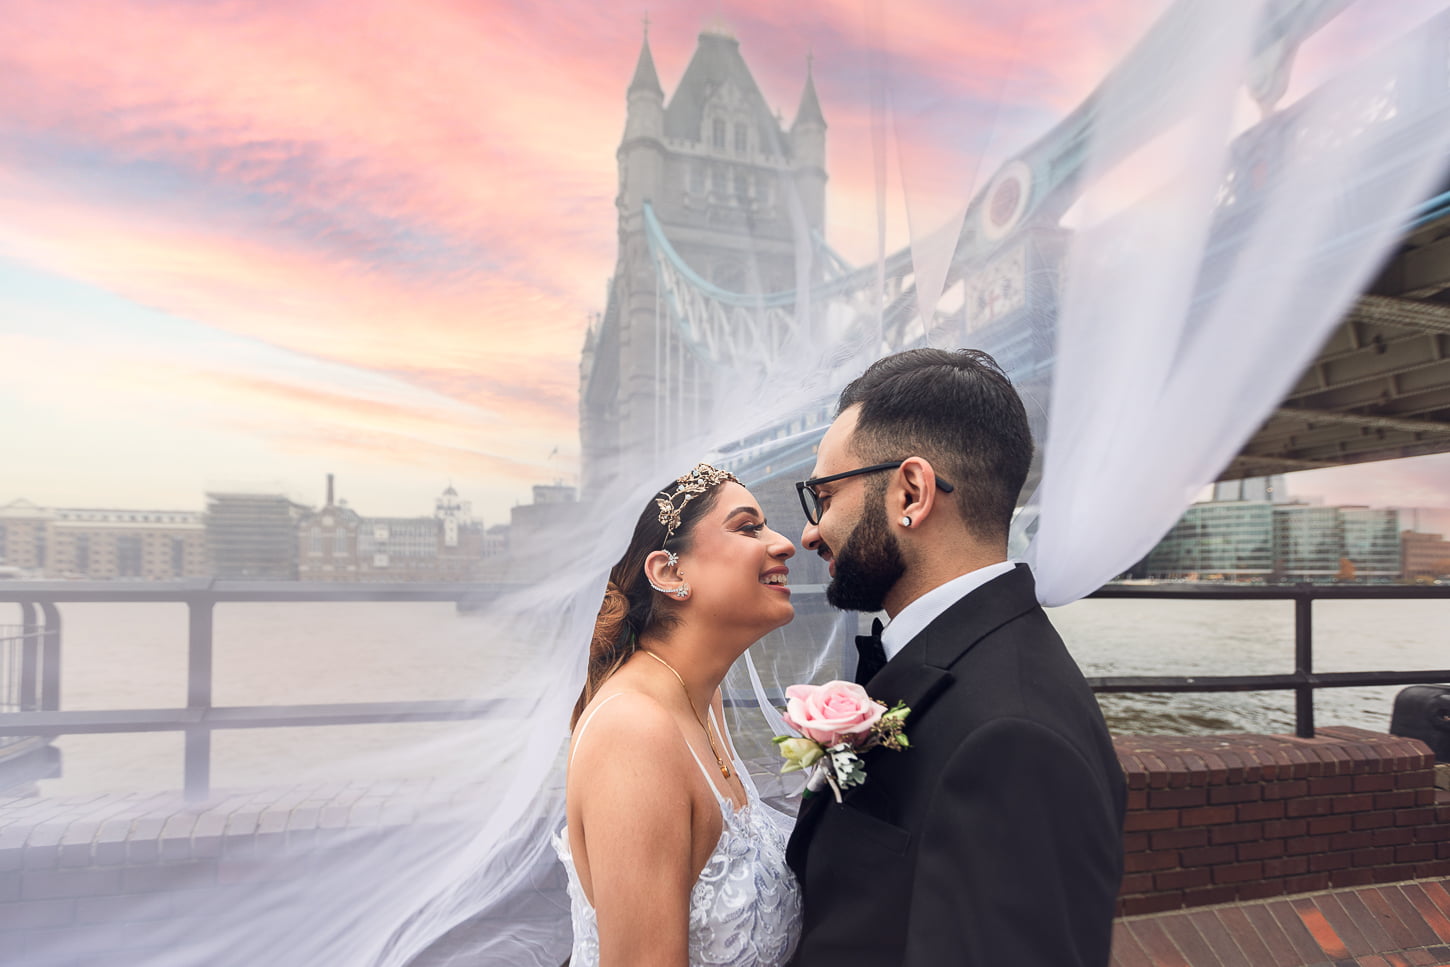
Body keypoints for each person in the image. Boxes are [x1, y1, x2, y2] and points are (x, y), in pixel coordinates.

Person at [786, 349, 1125, 967]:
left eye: (824, 496)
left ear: (910, 492)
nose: (809, 532)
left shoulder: (1014, 738)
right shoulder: (963, 664)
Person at [554, 463, 803, 967]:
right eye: (749, 527)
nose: (784, 544)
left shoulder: (700, 701)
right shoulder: (634, 733)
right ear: (670, 572)